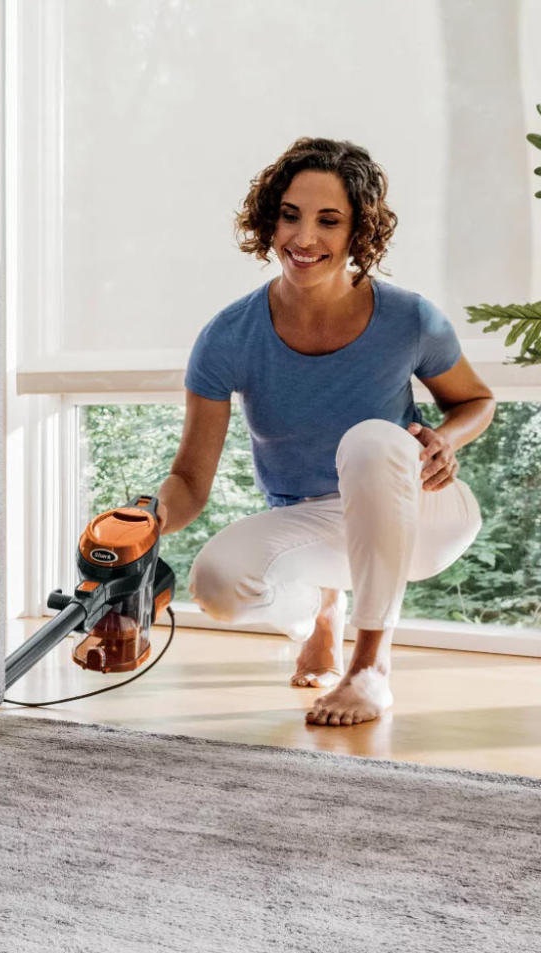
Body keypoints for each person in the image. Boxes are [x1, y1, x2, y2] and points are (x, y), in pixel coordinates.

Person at [156, 137, 495, 728]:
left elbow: (475, 400)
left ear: (358, 231)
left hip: (421, 510)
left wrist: (446, 439)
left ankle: (370, 667)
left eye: (328, 221)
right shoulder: (229, 335)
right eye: (290, 216)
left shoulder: (409, 318)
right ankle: (319, 611)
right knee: (216, 584)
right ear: (270, 220)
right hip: (314, 522)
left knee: (370, 440)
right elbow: (189, 479)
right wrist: (145, 522)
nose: (303, 238)